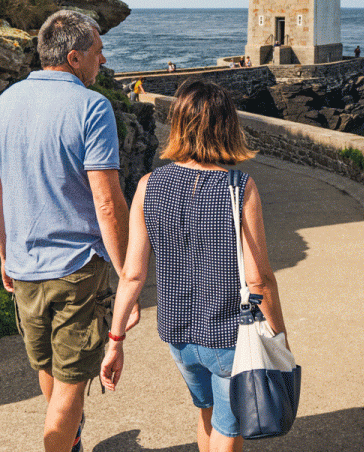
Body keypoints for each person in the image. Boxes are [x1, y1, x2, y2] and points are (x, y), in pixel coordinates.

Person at [101, 80, 287, 452]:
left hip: (178, 336)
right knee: (227, 429)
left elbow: (133, 274)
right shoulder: (239, 187)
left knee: (207, 413)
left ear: (178, 125)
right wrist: (278, 335)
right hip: (228, 337)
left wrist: (115, 340)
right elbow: (259, 279)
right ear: (226, 125)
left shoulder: (148, 185)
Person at [0, 9, 137, 452]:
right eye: (97, 53)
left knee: (48, 365)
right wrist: (127, 274)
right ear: (73, 57)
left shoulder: (6, 101)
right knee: (71, 381)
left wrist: (4, 254)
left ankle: (69, 441)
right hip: (76, 269)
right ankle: (62, 441)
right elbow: (107, 201)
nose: (102, 62)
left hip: (25, 264)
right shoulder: (92, 107)